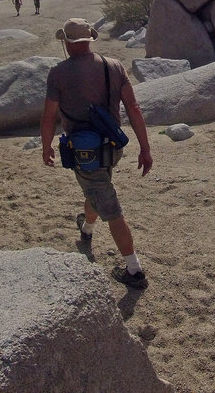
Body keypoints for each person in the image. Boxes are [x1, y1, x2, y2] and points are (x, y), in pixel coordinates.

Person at [41, 18, 154, 289]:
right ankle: (87, 229)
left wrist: (46, 146)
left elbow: (49, 117)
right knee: (97, 190)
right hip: (112, 147)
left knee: (111, 207)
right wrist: (145, 148)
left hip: (84, 153)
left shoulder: (58, 74)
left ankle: (134, 270)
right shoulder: (113, 66)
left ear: (66, 43)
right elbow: (134, 108)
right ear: (90, 40)